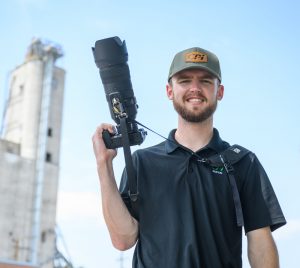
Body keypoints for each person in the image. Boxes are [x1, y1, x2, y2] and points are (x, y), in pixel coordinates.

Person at [92, 47, 286, 268]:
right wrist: (103, 164)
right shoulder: (142, 162)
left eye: (205, 81)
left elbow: (260, 242)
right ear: (169, 91)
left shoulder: (242, 162)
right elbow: (123, 240)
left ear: (219, 92)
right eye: (184, 81)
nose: (195, 88)